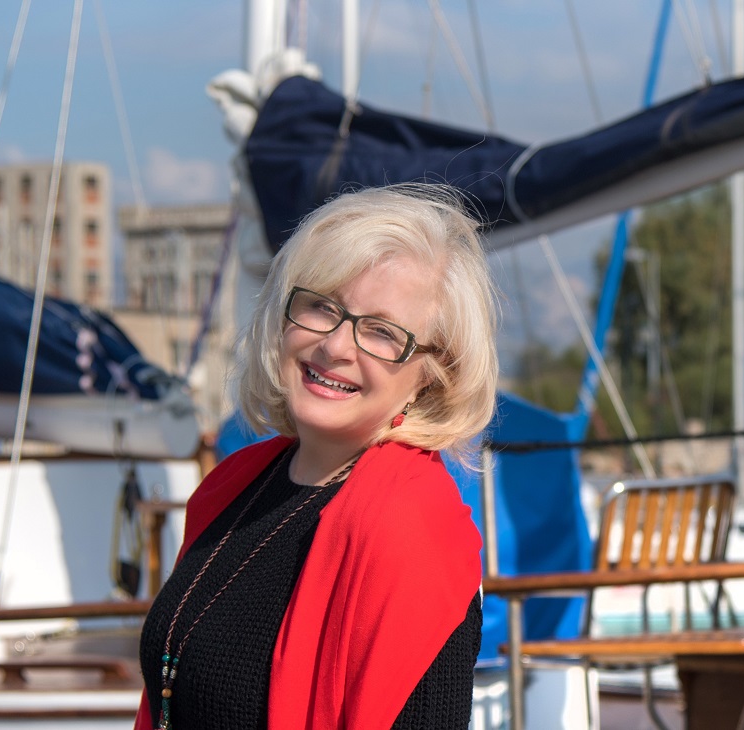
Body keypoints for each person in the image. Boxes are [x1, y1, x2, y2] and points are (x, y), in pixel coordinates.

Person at [134, 183, 499, 729]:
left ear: (434, 372)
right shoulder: (233, 485)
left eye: (382, 332)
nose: (335, 346)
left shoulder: (413, 527)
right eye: (322, 307)